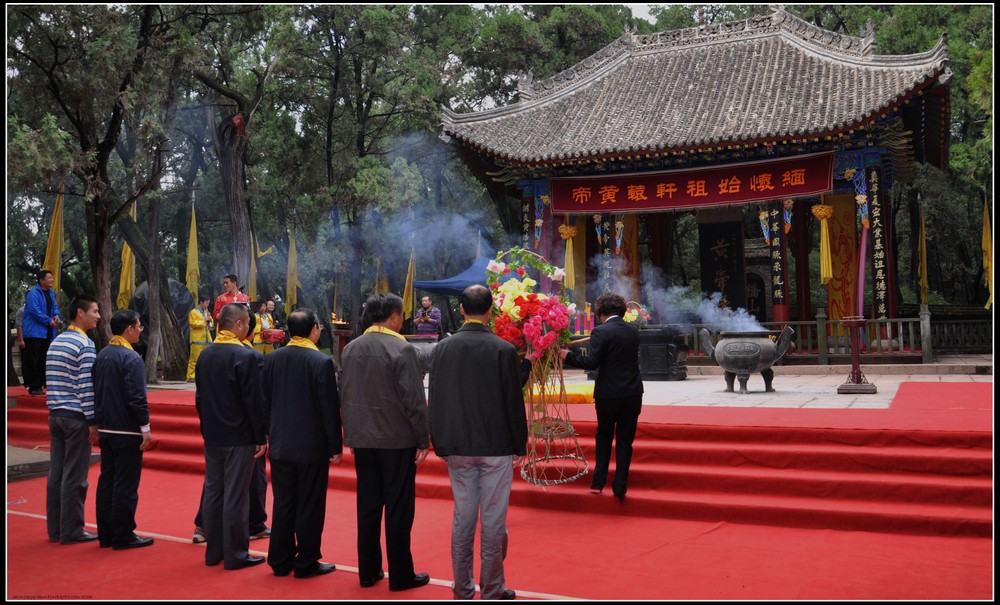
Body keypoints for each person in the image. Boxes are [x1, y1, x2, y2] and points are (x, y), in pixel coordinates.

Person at [429, 284, 526, 601]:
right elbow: (513, 402)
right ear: (490, 312)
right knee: (494, 522)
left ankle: (462, 588)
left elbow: (437, 398)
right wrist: (519, 444)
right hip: (495, 445)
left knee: (463, 519)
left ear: (461, 310)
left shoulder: (442, 348)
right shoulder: (503, 350)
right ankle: (492, 589)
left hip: (457, 444)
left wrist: (439, 441)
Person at [339, 292, 431, 592]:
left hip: (363, 438)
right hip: (396, 439)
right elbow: (414, 400)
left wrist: (350, 432)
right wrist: (422, 438)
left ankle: (368, 571)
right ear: (393, 316)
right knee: (398, 509)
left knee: (367, 506)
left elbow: (346, 395)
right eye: (400, 314)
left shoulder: (351, 348)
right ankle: (401, 574)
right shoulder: (400, 348)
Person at [262, 308, 343, 579]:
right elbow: (328, 409)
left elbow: (265, 402)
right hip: (311, 447)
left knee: (284, 503)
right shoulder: (320, 361)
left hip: (281, 443)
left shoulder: (272, 359)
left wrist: (266, 434)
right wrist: (335, 446)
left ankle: (279, 559)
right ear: (314, 330)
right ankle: (306, 561)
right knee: (309, 504)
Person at [195, 302, 267, 570]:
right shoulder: (247, 357)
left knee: (214, 492)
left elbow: (200, 399)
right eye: (248, 323)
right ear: (238, 324)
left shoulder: (205, 355)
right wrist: (261, 436)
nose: (249, 328)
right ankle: (236, 554)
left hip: (213, 434)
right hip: (240, 436)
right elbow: (254, 402)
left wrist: (206, 427)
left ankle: (214, 552)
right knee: (236, 496)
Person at [558, 292, 643, 502]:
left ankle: (599, 480)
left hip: (608, 393)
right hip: (633, 392)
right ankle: (620, 485)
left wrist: (567, 356)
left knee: (604, 434)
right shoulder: (633, 330)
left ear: (602, 312)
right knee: (625, 440)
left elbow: (592, 363)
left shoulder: (601, 331)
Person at [93, 309, 154, 550]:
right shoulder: (131, 358)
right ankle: (123, 534)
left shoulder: (103, 355)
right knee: (125, 485)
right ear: (128, 328)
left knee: (107, 481)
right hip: (126, 430)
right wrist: (145, 427)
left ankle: (106, 534)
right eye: (139, 326)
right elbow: (137, 397)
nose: (141, 330)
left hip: (106, 428)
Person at [44, 294, 100, 544]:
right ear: (80, 312)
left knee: (57, 473)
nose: (98, 316)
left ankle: (56, 529)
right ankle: (72, 529)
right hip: (76, 417)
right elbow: (86, 387)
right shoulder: (84, 344)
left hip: (55, 414)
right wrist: (93, 420)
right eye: (95, 311)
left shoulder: (56, 342)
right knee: (75, 476)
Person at [24, 269, 62, 395]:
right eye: (49, 278)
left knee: (43, 358)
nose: (52, 280)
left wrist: (56, 316)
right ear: (41, 280)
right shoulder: (32, 293)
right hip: (34, 332)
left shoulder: (51, 293)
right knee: (33, 359)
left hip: (46, 332)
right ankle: (34, 386)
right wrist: (48, 321)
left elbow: (55, 307)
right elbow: (35, 311)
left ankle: (42, 384)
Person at [187, 294, 214, 382]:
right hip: (197, 339)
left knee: (207, 359)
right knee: (195, 358)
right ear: (201, 302)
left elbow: (211, 325)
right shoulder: (193, 312)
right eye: (206, 303)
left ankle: (206, 375)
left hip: (207, 339)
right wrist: (204, 320)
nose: (207, 305)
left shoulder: (207, 313)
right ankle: (191, 376)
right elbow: (193, 323)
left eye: (208, 303)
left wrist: (210, 320)